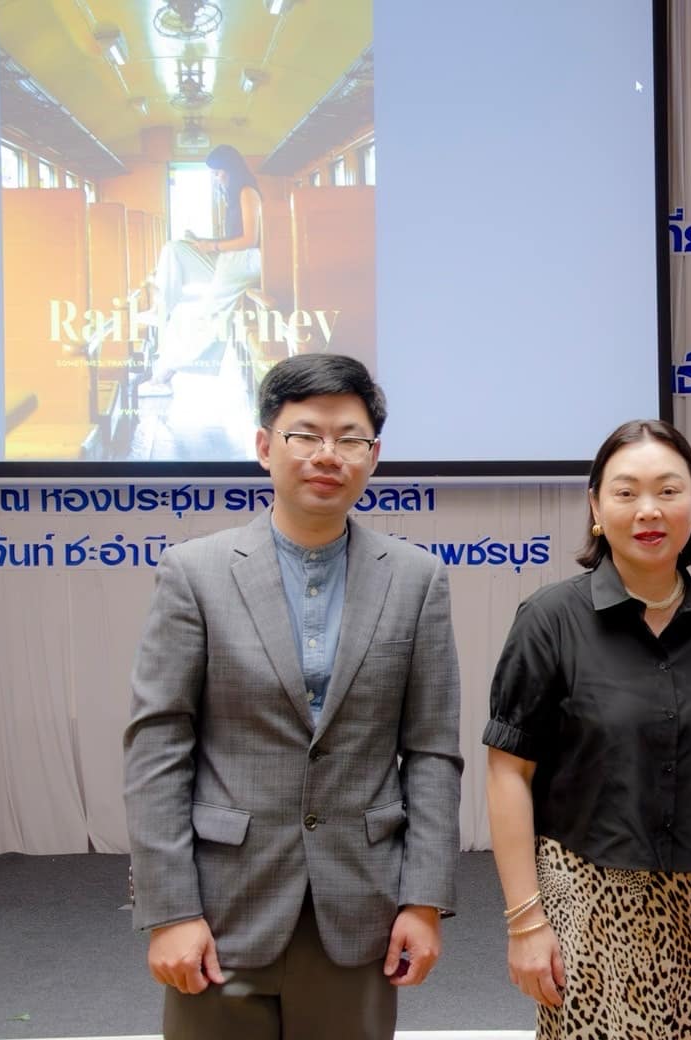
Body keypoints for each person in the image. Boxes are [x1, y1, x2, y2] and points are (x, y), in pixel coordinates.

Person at [122, 353, 462, 1040]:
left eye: (350, 438)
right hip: (221, 908)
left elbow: (432, 753)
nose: (327, 454)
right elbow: (158, 747)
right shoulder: (195, 573)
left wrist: (423, 900)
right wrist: (170, 909)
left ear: (373, 456)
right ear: (264, 446)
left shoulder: (417, 580)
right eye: (305, 434)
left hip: (359, 908)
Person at [484, 419, 691, 1040]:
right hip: (580, 901)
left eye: (669, 490)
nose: (648, 510)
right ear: (596, 507)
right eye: (626, 492)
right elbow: (507, 772)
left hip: (690, 905)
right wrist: (525, 921)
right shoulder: (550, 619)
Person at [141, 144, 264, 391]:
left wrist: (213, 246)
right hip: (229, 257)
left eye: (218, 173)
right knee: (175, 249)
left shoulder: (247, 192)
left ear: (230, 169)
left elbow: (251, 239)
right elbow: (234, 238)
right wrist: (203, 242)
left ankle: (166, 372)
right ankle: (161, 308)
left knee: (208, 314)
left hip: (246, 261)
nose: (216, 178)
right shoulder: (233, 195)